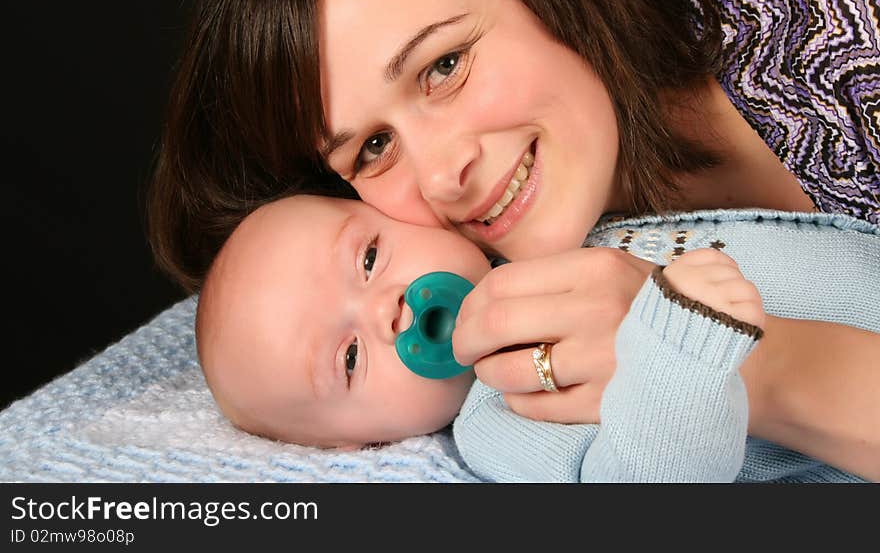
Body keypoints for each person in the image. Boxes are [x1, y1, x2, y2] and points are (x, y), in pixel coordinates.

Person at [149, 0, 880, 478]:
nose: (442, 174)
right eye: (373, 148)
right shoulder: (510, 398)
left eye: (443, 66)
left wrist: (763, 367)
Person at [196, 193, 879, 481]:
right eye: (350, 357)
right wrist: (679, 354)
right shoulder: (501, 417)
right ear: (355, 441)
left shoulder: (539, 232)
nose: (388, 308)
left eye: (370, 258)